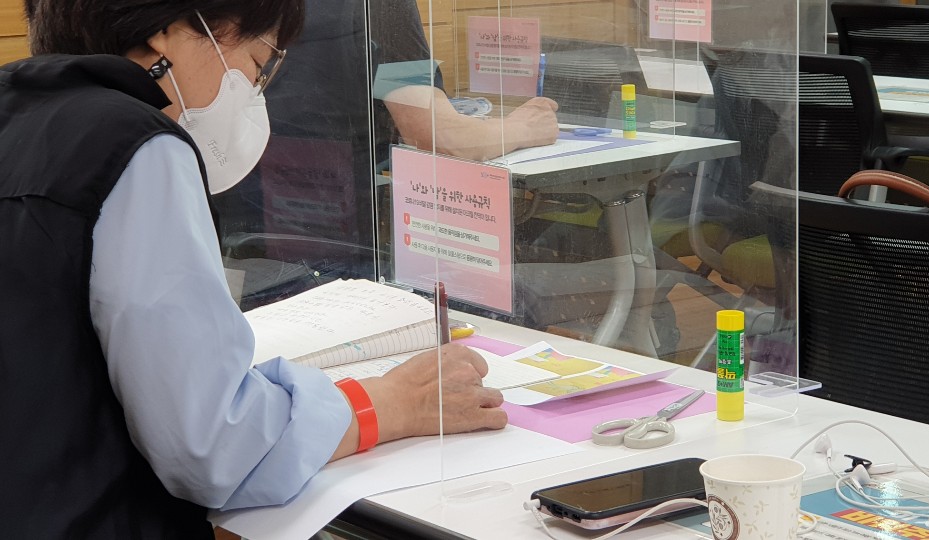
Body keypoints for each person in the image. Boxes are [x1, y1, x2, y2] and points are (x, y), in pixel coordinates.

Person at [2, 1, 506, 537]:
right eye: (257, 64)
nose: (251, 92)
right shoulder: (135, 145)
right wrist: (391, 401)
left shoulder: (17, 112)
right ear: (166, 33)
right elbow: (216, 447)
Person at [212, 0, 559, 295]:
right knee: (519, 299)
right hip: (335, 244)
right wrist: (524, 127)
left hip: (238, 234)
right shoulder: (379, 6)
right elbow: (437, 136)